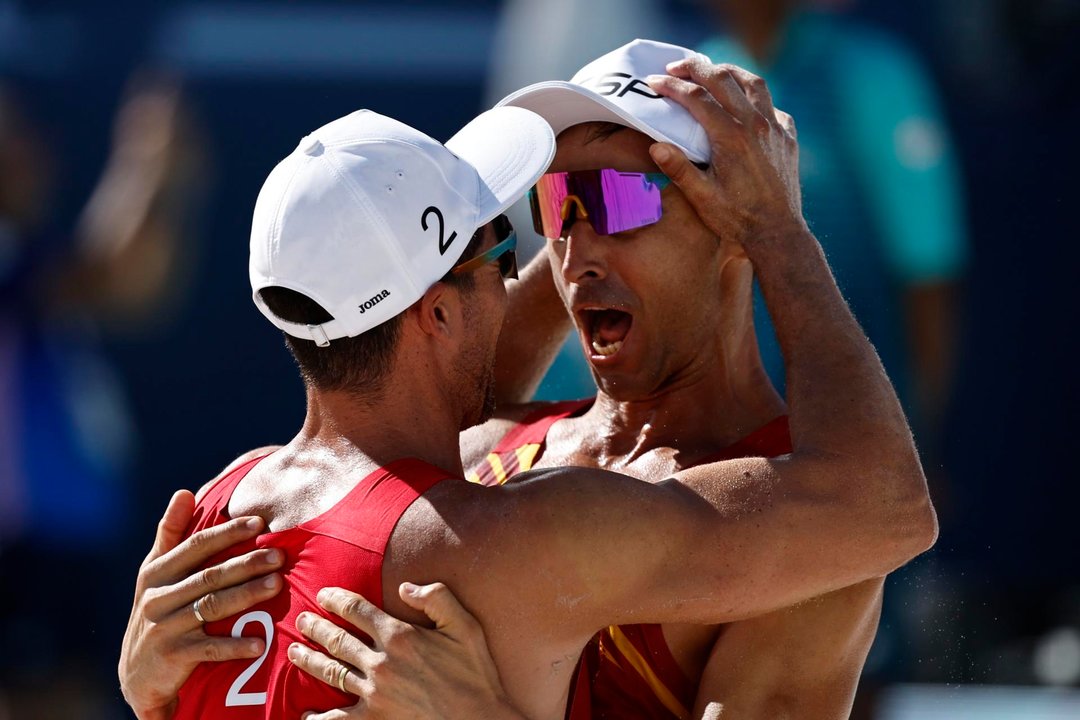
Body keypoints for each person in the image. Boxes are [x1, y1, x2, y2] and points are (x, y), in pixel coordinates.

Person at [119, 48, 936, 720]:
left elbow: (431, 334)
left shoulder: (810, 541)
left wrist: (774, 229)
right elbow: (429, 360)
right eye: (551, 207)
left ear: (729, 223)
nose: (571, 252)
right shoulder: (479, 455)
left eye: (620, 198)